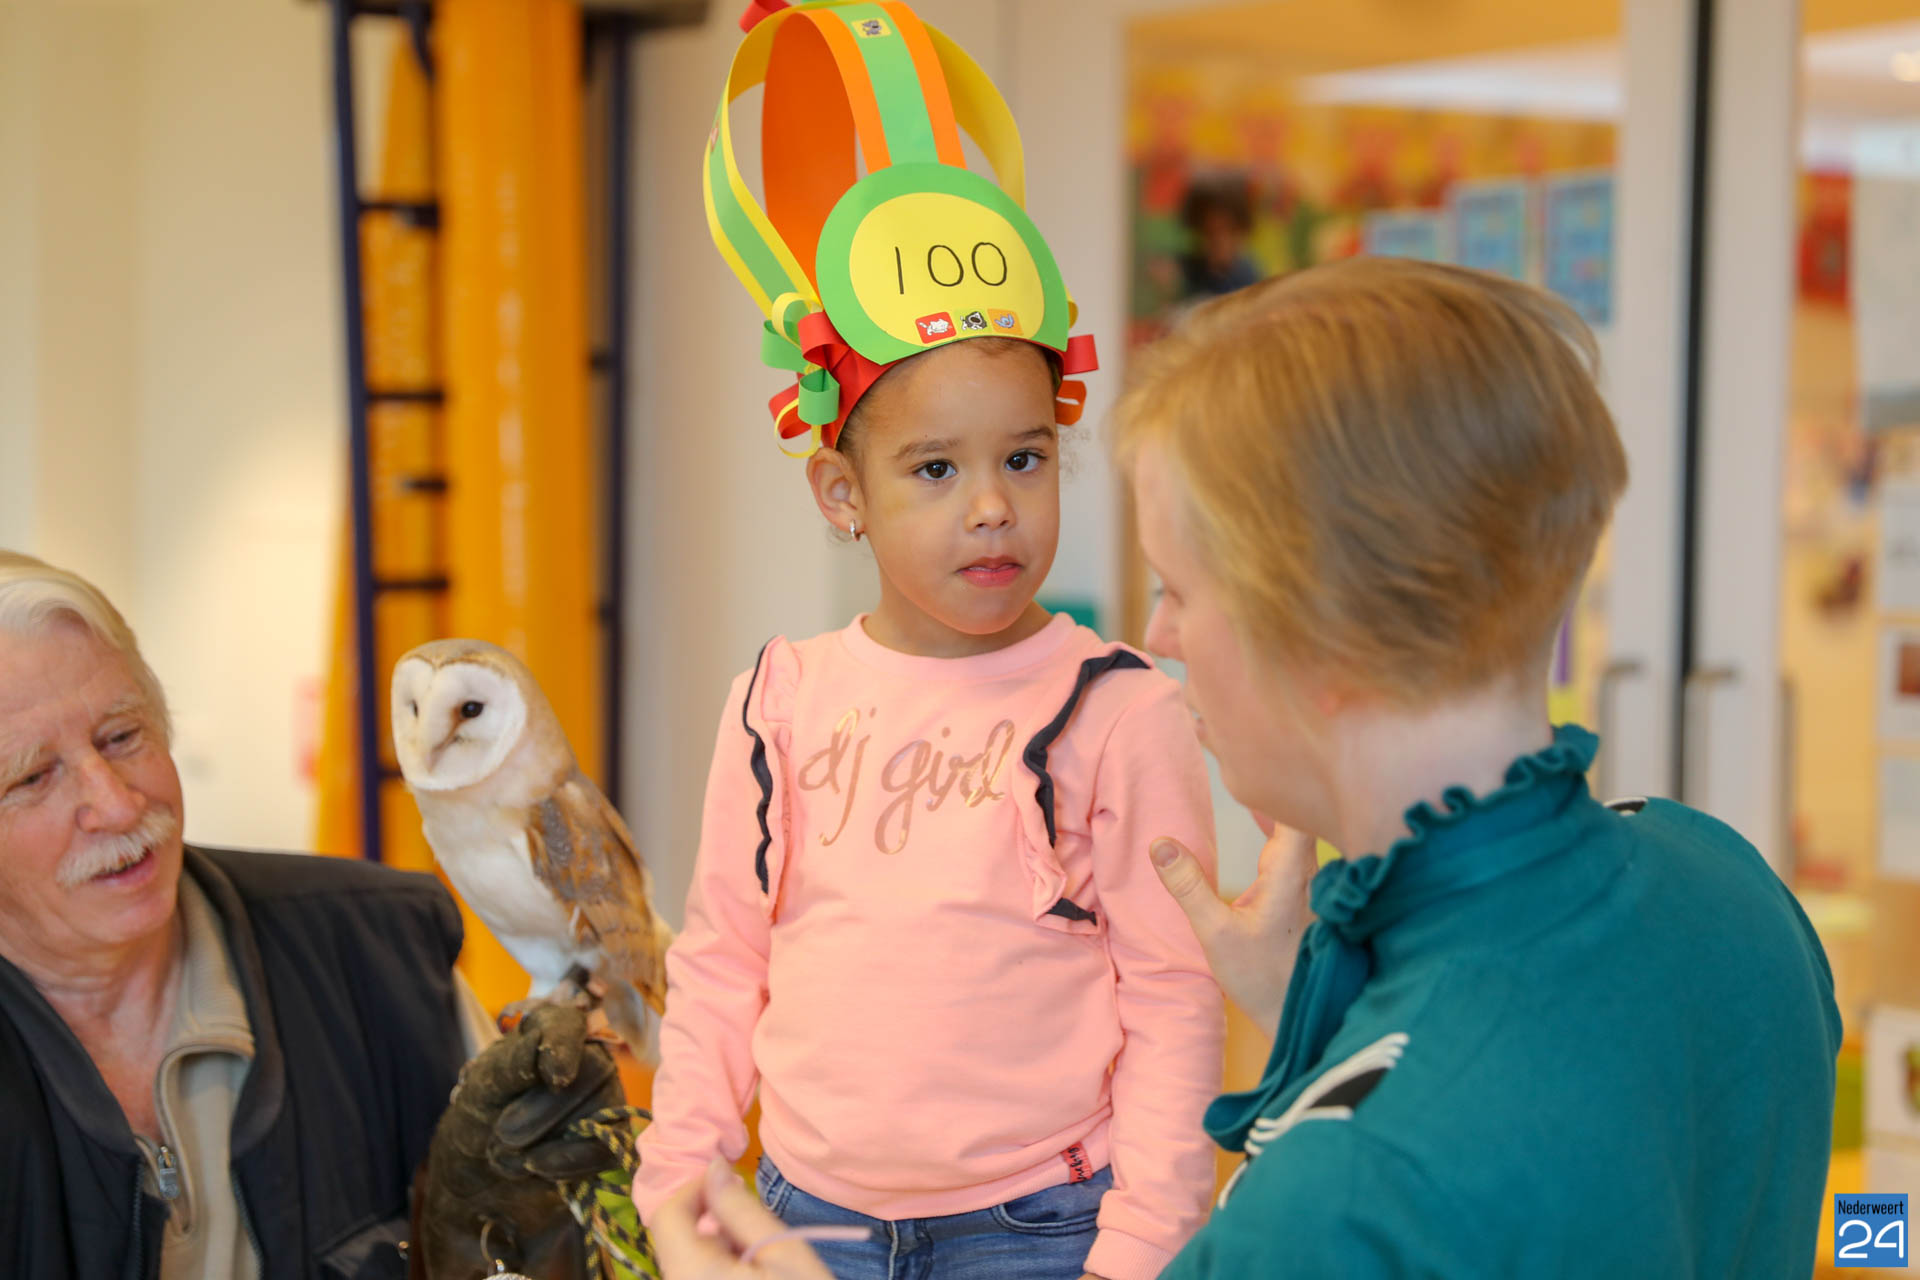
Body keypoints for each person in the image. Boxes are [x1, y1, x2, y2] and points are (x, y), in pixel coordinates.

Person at [647, 257, 1843, 1278]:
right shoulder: (1732, 887)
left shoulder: (1330, 1202)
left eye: (1179, 589)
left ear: (1312, 627)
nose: (1155, 638)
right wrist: (1305, 1024)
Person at [629, 5, 1226, 1280]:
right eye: (935, 468)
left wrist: (1138, 1252)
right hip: (806, 1219)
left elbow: (1173, 1001)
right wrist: (679, 1179)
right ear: (844, 495)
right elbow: (724, 954)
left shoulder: (1124, 712)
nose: (993, 504)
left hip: (1044, 1229)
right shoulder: (777, 698)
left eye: (1024, 456)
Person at [0, 550, 621, 1279]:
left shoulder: (378, 950)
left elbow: (559, 1247)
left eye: (122, 736)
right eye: (33, 777)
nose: (115, 804)